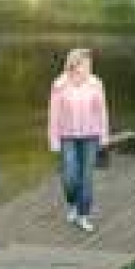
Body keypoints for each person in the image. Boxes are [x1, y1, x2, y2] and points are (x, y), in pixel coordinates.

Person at [47, 48, 109, 233]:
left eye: (90, 64)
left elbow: (102, 111)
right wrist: (53, 139)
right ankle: (72, 203)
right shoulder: (60, 84)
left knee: (86, 177)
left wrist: (104, 135)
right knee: (70, 177)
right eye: (86, 64)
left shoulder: (96, 83)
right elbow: (54, 115)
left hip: (91, 136)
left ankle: (83, 215)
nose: (89, 67)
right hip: (67, 136)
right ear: (74, 65)